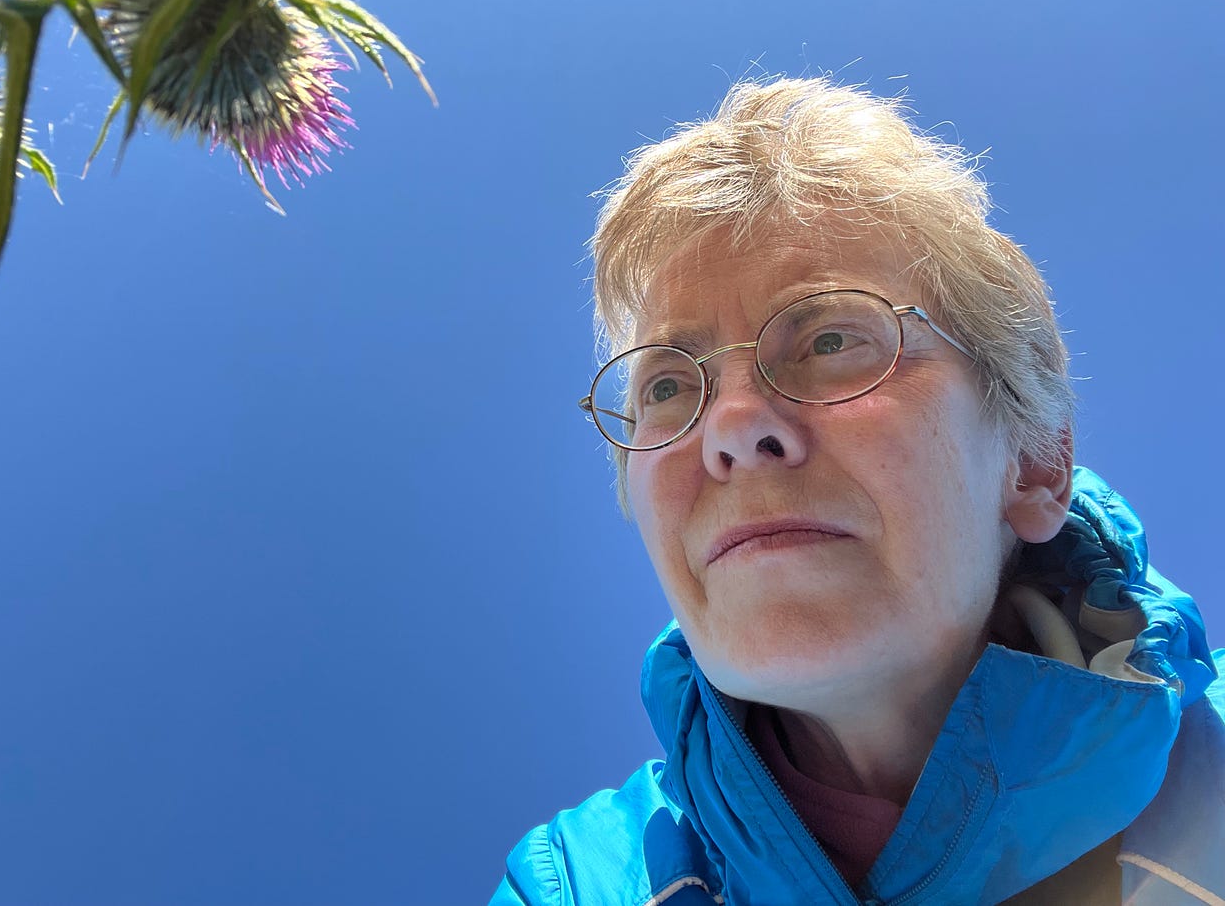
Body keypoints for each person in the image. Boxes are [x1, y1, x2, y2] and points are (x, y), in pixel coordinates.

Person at [492, 79, 1224, 905]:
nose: (731, 424)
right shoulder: (576, 882)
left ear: (1034, 465)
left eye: (832, 337)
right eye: (666, 387)